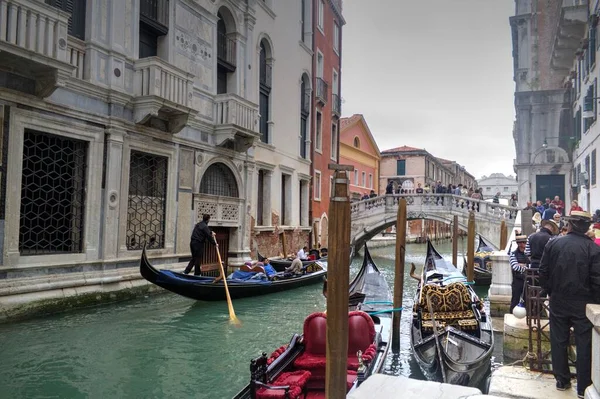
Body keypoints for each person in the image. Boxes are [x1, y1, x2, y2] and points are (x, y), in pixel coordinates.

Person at [539, 211, 600, 398]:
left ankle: (562, 381)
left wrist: (551, 291)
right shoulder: (594, 249)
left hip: (558, 300)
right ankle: (583, 387)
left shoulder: (554, 243)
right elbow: (597, 280)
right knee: (584, 345)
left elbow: (543, 272)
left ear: (570, 225)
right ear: (586, 227)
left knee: (558, 341)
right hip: (583, 303)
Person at [509, 235, 530, 313]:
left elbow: (530, 266)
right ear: (519, 244)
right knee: (515, 299)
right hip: (517, 280)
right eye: (524, 242)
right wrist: (526, 266)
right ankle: (512, 314)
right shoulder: (513, 254)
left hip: (527, 280)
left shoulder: (529, 254)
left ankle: (526, 316)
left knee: (527, 299)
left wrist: (522, 265)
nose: (525, 244)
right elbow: (515, 267)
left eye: (525, 242)